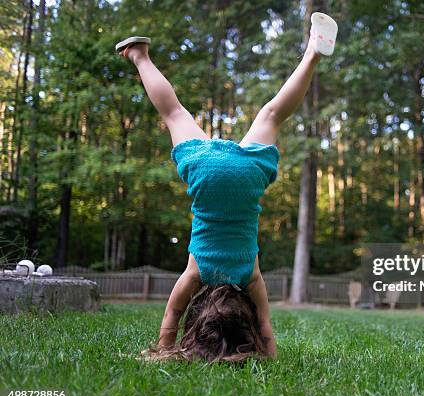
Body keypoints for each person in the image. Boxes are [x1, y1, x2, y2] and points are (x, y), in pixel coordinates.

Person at [115, 13, 337, 362]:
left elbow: (265, 322)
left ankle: (312, 53)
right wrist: (165, 349)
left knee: (273, 114)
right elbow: (172, 317)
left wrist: (269, 354)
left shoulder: (250, 275)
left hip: (246, 178)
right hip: (206, 175)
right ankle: (139, 55)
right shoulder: (196, 271)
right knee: (174, 113)